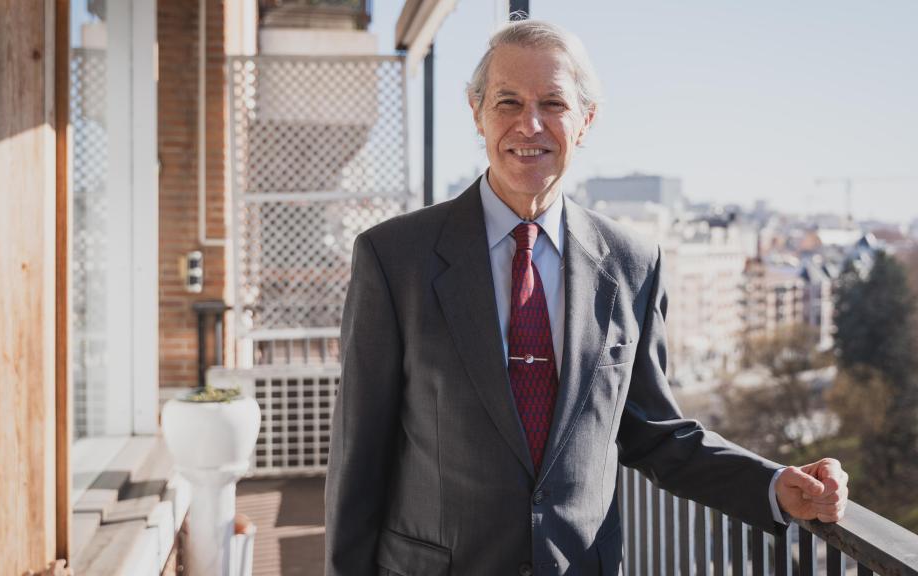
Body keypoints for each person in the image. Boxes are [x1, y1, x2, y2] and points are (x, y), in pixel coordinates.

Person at [324, 19, 848, 576]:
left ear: (586, 121)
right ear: (476, 112)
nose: (529, 125)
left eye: (553, 102)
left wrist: (773, 485)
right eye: (507, 102)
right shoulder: (394, 257)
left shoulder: (633, 264)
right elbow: (361, 458)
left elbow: (655, 434)